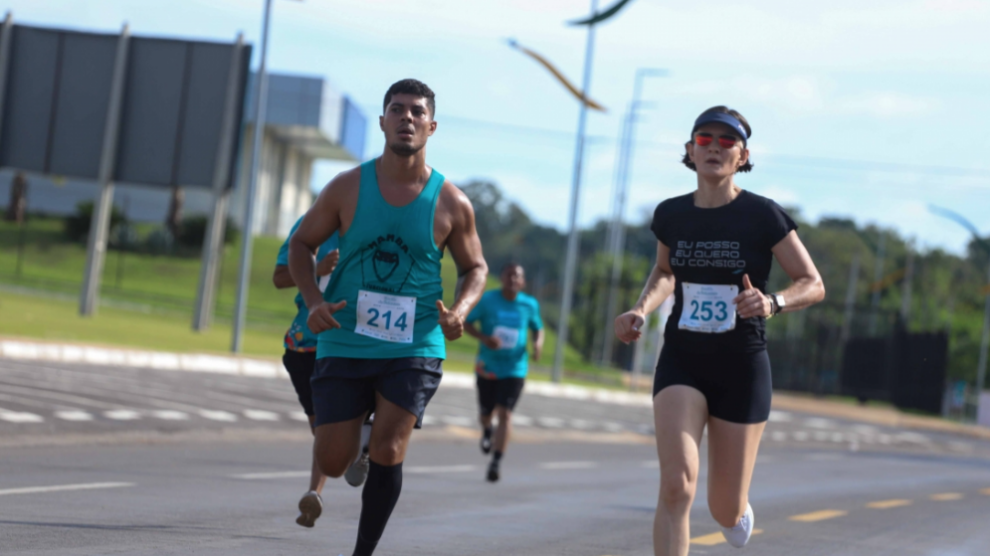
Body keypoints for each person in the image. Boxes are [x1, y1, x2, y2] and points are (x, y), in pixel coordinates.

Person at [288, 78, 487, 556]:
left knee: (389, 449)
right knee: (333, 462)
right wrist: (314, 300)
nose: (407, 118)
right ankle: (352, 437)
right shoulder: (347, 187)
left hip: (414, 344)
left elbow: (476, 268)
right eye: (397, 110)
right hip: (345, 337)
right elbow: (301, 244)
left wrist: (459, 311)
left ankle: (363, 551)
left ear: (431, 126)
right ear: (382, 122)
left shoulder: (451, 202)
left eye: (417, 112)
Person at [614, 106, 825, 556]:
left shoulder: (763, 216)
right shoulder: (671, 214)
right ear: (690, 151)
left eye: (726, 141)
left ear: (743, 155)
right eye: (704, 139)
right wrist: (640, 309)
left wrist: (773, 302)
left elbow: (813, 283)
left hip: (741, 365)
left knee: (723, 508)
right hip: (683, 360)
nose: (714, 146)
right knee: (676, 485)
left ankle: (736, 511)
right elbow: (666, 271)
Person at [273, 216, 373, 528]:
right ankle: (352, 451)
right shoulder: (309, 229)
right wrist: (315, 270)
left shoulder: (377, 228)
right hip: (306, 344)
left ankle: (315, 491)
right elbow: (278, 277)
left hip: (351, 344)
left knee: (332, 423)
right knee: (322, 428)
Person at [464, 262, 544, 483]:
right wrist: (484, 338)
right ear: (502, 278)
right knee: (485, 414)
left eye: (517, 276)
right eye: (509, 275)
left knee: (505, 413)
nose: (512, 279)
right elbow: (468, 323)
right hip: (487, 366)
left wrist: (538, 344)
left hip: (515, 368)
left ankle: (496, 461)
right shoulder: (488, 299)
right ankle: (487, 430)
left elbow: (538, 328)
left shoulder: (529, 304)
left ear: (523, 282)